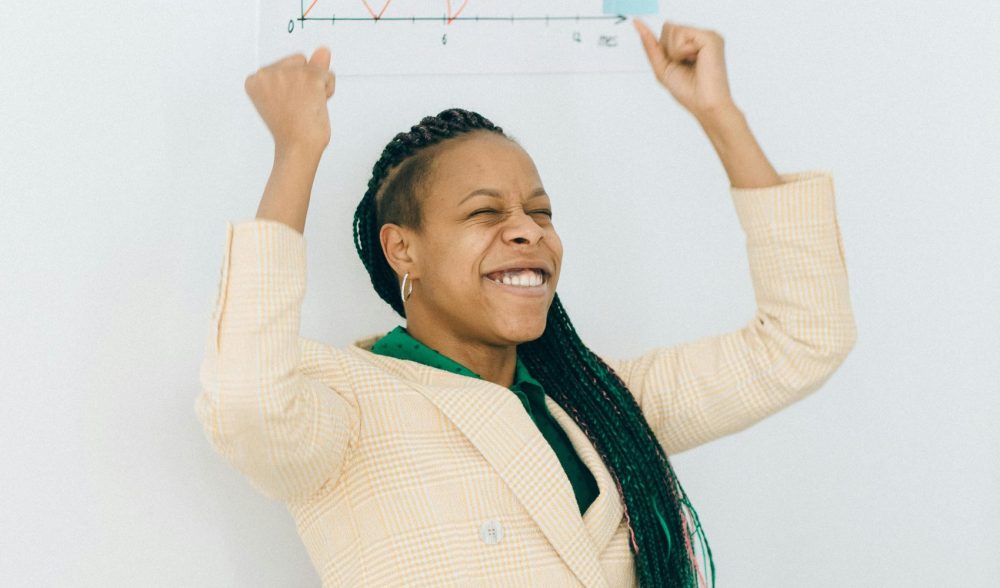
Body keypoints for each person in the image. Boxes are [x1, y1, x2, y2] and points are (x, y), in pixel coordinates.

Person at [196, 17, 857, 588]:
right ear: (403, 250)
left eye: (540, 212)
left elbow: (804, 339)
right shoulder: (345, 404)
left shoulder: (601, 403)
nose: (527, 231)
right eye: (485, 212)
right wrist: (297, 151)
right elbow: (247, 401)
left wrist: (720, 114)